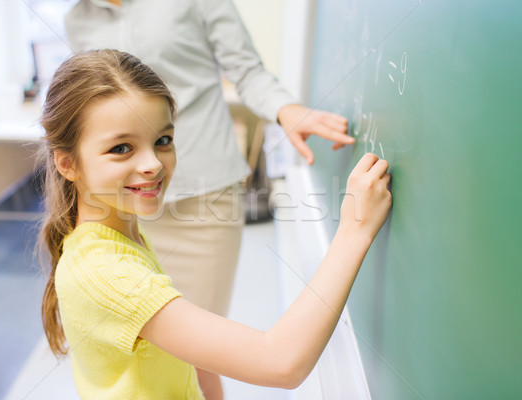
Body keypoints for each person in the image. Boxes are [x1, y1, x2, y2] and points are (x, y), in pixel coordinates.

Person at [39, 50, 391, 399]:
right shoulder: (104, 271)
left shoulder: (118, 230)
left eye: (162, 140)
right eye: (121, 148)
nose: (153, 164)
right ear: (68, 163)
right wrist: (354, 231)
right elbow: (279, 361)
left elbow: (178, 361)